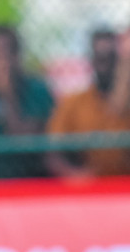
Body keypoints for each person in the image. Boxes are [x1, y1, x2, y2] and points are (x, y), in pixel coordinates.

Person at [0, 24, 54, 179]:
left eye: (2, 54)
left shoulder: (37, 89)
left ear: (16, 56)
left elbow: (26, 140)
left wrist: (6, 93)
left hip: (31, 175)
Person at [46, 28, 130, 179]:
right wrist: (74, 175)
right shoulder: (74, 103)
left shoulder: (125, 103)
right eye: (100, 59)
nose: (105, 67)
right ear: (91, 60)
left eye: (110, 59)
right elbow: (52, 151)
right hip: (88, 188)